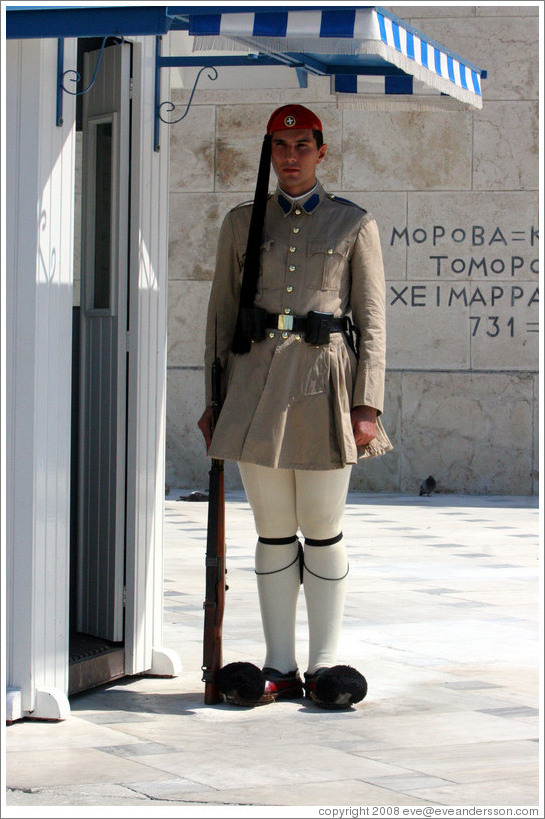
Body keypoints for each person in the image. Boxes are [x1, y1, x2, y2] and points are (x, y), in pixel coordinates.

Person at [198, 104, 391, 709]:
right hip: (255, 386)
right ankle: (280, 665)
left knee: (323, 530)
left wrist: (368, 406)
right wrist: (214, 399)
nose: (290, 156)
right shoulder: (242, 222)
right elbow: (222, 315)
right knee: (274, 532)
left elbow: (373, 324)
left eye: (301, 145)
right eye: (280, 146)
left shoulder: (353, 224)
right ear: (269, 152)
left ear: (321, 151)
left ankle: (324, 661)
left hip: (323, 384)